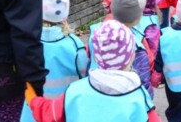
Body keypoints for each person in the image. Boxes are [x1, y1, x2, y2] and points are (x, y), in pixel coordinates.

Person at [26, 20, 161, 122]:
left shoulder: (74, 91)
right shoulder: (138, 96)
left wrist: (31, 97)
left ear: (96, 55)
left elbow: (49, 113)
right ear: (131, 56)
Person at [20, 0, 88, 122]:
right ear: (65, 14)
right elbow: (85, 76)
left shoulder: (29, 41)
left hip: (33, 108)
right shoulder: (75, 46)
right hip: (63, 109)